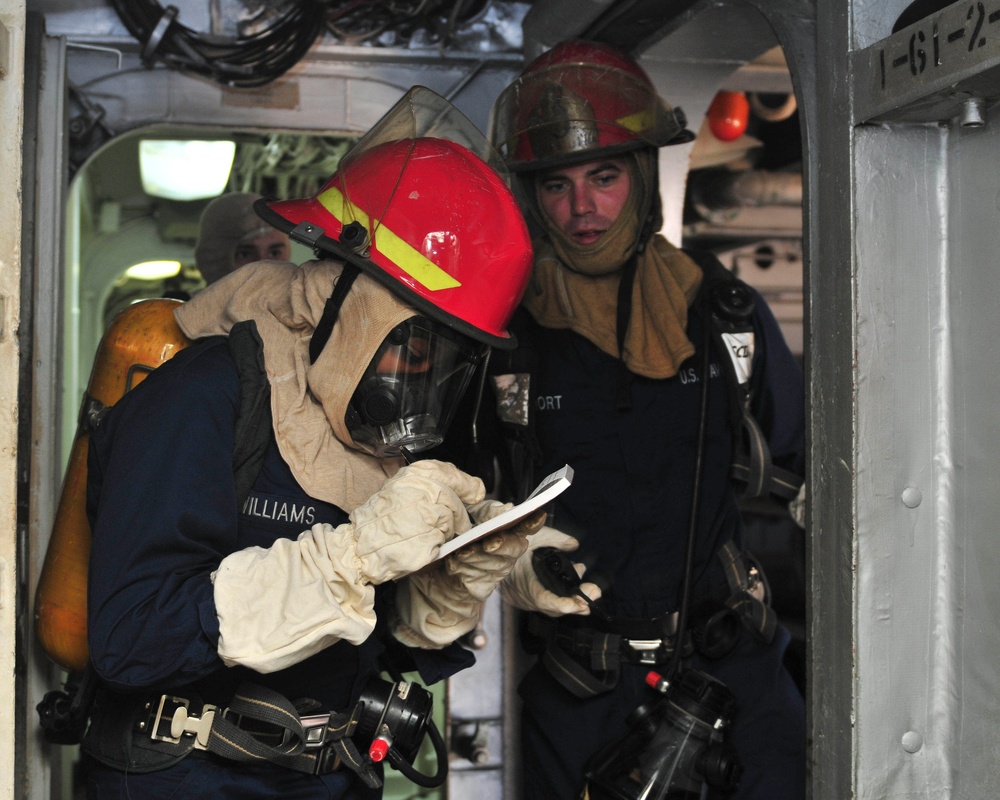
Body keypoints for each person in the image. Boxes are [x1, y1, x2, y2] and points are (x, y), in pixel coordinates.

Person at [79, 87, 537, 799]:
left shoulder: (373, 430)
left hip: (332, 775)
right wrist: (346, 559)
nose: (418, 379)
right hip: (186, 779)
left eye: (445, 362)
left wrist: (444, 587)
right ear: (343, 296)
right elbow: (131, 641)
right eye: (412, 346)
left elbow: (366, 642)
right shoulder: (204, 398)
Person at [485, 40, 807, 800]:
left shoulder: (726, 315)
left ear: (641, 180)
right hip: (578, 688)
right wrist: (506, 561)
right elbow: (455, 503)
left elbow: (807, 468)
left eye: (603, 177)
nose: (582, 209)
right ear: (533, 197)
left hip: (733, 676)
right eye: (556, 186)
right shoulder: (506, 340)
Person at [194, 191, 293, 285]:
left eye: (274, 253)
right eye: (245, 254)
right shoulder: (187, 303)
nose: (263, 267)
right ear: (213, 258)